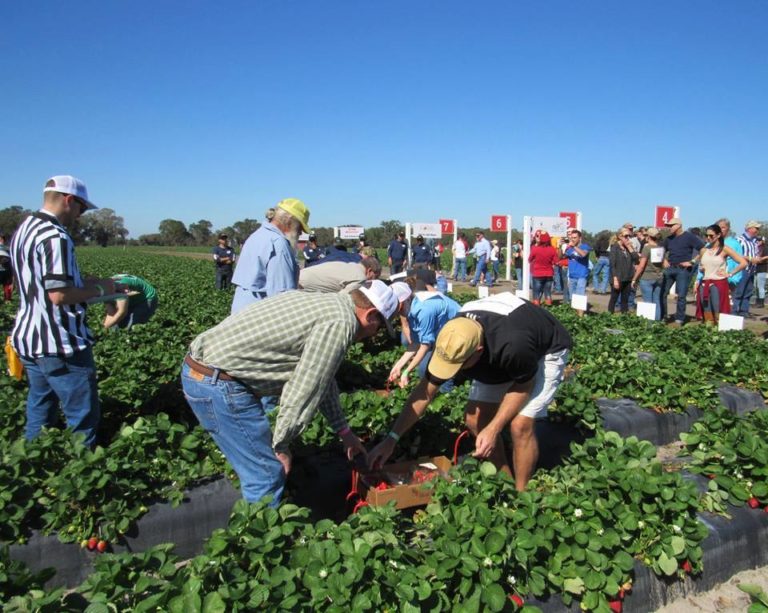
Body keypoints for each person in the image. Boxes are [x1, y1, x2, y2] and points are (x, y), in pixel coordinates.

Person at [181, 280, 398, 505]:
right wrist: (281, 445)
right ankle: (258, 536)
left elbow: (323, 378)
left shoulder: (325, 302)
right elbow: (305, 390)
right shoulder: (341, 323)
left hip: (202, 372)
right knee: (266, 475)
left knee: (261, 466)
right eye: (380, 327)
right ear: (371, 315)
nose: (374, 334)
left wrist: (345, 433)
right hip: (219, 384)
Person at [369, 292, 571, 491]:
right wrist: (391, 439)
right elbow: (425, 392)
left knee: (520, 425)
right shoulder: (453, 337)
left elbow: (523, 385)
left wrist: (494, 428)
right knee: (474, 420)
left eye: (460, 365)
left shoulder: (513, 344)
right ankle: (506, 483)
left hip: (545, 349)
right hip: (499, 344)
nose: (454, 372)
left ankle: (522, 495)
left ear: (478, 352)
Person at [10, 175, 117, 448]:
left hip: (29, 339)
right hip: (60, 342)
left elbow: (42, 282)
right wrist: (103, 291)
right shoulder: (56, 236)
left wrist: (88, 282)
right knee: (82, 413)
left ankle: (33, 458)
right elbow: (59, 295)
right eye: (81, 208)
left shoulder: (24, 228)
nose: (80, 216)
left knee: (40, 404)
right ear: (69, 200)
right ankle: (83, 468)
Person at [230, 198, 309, 314]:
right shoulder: (278, 244)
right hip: (258, 318)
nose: (300, 233)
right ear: (289, 220)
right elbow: (282, 297)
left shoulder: (257, 235)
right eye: (300, 227)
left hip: (240, 312)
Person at [387, 283, 460, 390]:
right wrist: (398, 366)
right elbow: (416, 343)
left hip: (458, 332)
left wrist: (407, 371)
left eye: (400, 308)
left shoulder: (423, 310)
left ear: (407, 300)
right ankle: (434, 393)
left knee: (432, 368)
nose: (399, 313)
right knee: (424, 368)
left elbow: (425, 345)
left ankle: (447, 395)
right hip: (443, 331)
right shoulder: (412, 308)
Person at [693, 224, 747, 324]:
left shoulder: (724, 249)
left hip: (718, 284)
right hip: (704, 284)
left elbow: (743, 263)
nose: (708, 238)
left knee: (719, 311)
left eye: (711, 235)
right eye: (706, 235)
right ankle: (708, 332)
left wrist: (730, 274)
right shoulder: (703, 250)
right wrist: (699, 275)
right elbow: (701, 267)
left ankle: (719, 333)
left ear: (718, 235)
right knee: (706, 313)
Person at [661, 217, 705, 325]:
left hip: (683, 270)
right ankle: (663, 315)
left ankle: (679, 318)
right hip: (670, 268)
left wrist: (693, 261)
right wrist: (664, 260)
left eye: (671, 226)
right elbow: (659, 250)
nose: (669, 228)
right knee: (662, 293)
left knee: (681, 295)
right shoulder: (668, 239)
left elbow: (703, 249)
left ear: (678, 225)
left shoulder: (689, 237)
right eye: (668, 226)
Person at [298, 256, 381, 293]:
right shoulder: (360, 277)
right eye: (375, 277)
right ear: (369, 271)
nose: (372, 282)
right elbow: (341, 299)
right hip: (301, 287)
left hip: (298, 276)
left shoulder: (348, 265)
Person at [632, 227, 665, 321]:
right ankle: (657, 322)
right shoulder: (660, 248)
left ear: (648, 237)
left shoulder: (647, 248)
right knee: (656, 301)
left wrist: (634, 278)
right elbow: (664, 264)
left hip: (647, 277)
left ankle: (649, 325)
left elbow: (641, 266)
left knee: (647, 302)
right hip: (658, 277)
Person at [733, 221, 762, 318]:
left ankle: (744, 311)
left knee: (748, 291)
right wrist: (749, 258)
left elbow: (756, 253)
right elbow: (735, 254)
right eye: (756, 228)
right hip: (742, 269)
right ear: (749, 228)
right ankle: (735, 312)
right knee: (739, 291)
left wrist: (758, 258)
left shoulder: (754, 242)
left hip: (752, 269)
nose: (757, 230)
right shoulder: (739, 240)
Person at [608, 228, 639, 314]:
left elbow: (636, 259)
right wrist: (615, 279)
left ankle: (624, 318)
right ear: (619, 236)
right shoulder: (614, 247)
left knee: (625, 300)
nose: (628, 238)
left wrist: (630, 248)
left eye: (629, 236)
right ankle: (608, 317)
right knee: (614, 299)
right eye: (626, 236)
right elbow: (612, 264)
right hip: (618, 277)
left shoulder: (628, 247)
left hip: (628, 277)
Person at [528, 232, 558, 306]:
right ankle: (549, 305)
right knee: (547, 291)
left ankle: (536, 307)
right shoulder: (552, 249)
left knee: (536, 292)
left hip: (538, 273)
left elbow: (529, 260)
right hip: (549, 273)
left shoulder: (535, 249)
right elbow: (556, 261)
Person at [564, 229, 591, 301]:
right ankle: (575, 312)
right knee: (572, 299)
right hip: (572, 276)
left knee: (579, 299)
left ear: (580, 238)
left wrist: (574, 247)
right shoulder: (569, 248)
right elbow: (561, 257)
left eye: (575, 238)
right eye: (572, 238)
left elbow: (583, 254)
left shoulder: (585, 246)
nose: (573, 239)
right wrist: (560, 247)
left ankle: (580, 312)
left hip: (581, 276)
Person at [755, 237, 767, 309]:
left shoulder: (765, 248)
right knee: (756, 286)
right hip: (756, 269)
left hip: (762, 268)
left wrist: (761, 259)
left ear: (763, 241)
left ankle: (761, 302)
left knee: (761, 286)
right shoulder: (757, 248)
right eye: (757, 240)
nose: (758, 242)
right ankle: (758, 301)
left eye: (759, 240)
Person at [0, 235, 13, 301]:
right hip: (7, 263)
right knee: (7, 283)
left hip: (6, 265)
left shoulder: (6, 248)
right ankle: (7, 299)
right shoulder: (7, 248)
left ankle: (7, 299)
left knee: (7, 283)